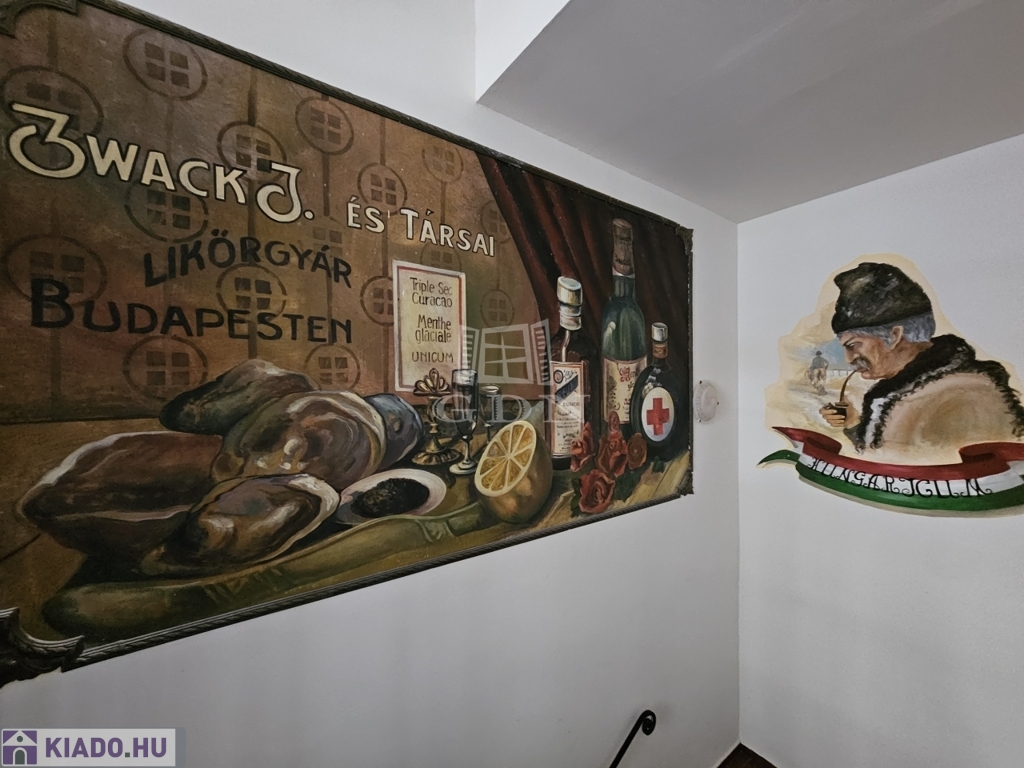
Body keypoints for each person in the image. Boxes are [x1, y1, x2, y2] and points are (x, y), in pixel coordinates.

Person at [818, 262, 1024, 460]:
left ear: (895, 336)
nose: (849, 358)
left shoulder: (961, 398)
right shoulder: (915, 390)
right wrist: (853, 423)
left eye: (853, 345)